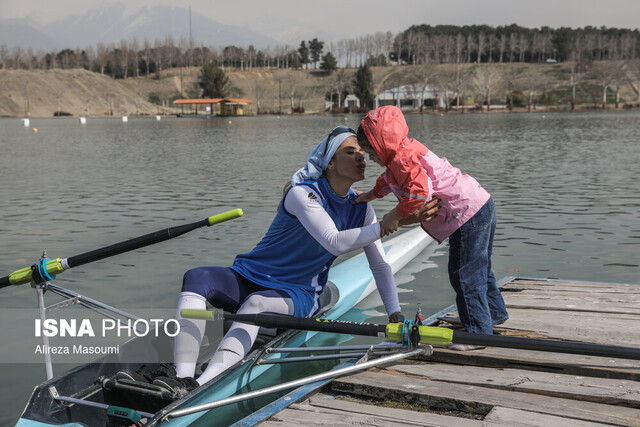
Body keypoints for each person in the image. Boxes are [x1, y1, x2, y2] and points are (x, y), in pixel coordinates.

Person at [119, 125, 439, 393]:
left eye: (363, 152)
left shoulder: (361, 210)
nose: (362, 157)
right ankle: (182, 376)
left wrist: (395, 314)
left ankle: (199, 386)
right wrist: (387, 224)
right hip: (248, 273)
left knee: (256, 304)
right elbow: (333, 242)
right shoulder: (303, 194)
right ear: (329, 163)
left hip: (298, 294)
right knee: (196, 277)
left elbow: (380, 266)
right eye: (350, 151)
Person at [354, 105, 508, 348]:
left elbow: (417, 192)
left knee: (464, 274)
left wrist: (395, 215)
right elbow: (386, 181)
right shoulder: (400, 156)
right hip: (478, 205)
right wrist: (371, 195)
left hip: (467, 214)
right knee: (480, 268)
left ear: (382, 143)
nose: (370, 158)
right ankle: (493, 314)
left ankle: (479, 332)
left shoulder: (403, 160)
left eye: (370, 152)